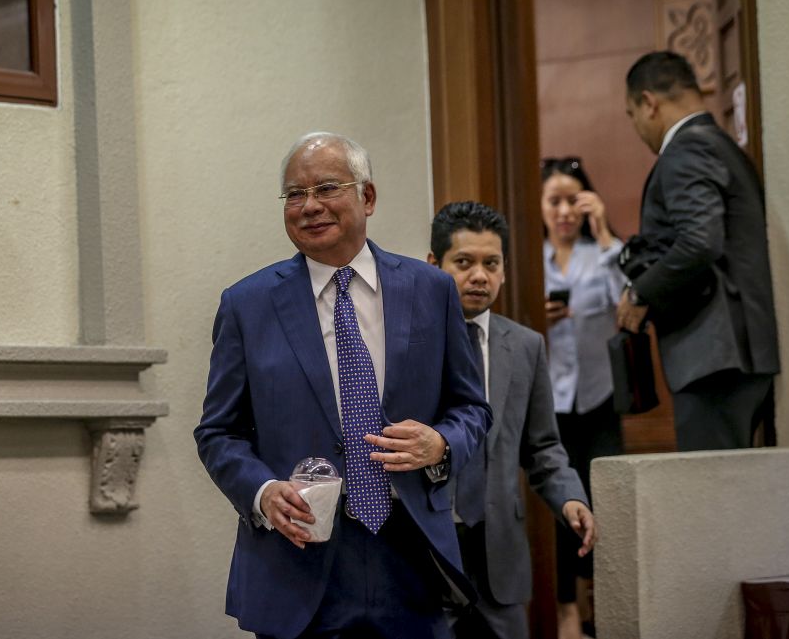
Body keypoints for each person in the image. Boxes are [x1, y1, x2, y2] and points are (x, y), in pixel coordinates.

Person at [194, 132, 492, 639]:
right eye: (294, 194)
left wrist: (441, 443)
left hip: (411, 550)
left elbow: (471, 408)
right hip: (298, 561)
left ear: (367, 197)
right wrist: (263, 492)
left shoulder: (431, 290)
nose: (309, 206)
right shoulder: (248, 304)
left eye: (327, 187)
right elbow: (218, 433)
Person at [427, 201, 595, 639]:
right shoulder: (407, 343)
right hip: (429, 552)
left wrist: (569, 498)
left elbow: (542, 447)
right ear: (434, 264)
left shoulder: (525, 346)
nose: (479, 275)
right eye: (463, 262)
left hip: (499, 551)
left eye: (491, 263)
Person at [618, 51, 780, 451]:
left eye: (631, 113)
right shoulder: (721, 146)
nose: (636, 127)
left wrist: (641, 293)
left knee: (713, 501)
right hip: (736, 355)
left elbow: (700, 241)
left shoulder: (686, 151)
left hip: (713, 360)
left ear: (649, 102)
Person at [540, 156, 626, 638]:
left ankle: (602, 605)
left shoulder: (604, 252)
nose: (564, 210)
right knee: (556, 505)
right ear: (541, 207)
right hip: (549, 404)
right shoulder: (530, 258)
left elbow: (630, 301)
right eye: (555, 201)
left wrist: (606, 232)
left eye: (574, 199)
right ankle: (567, 610)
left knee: (603, 502)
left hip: (599, 400)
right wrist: (539, 315)